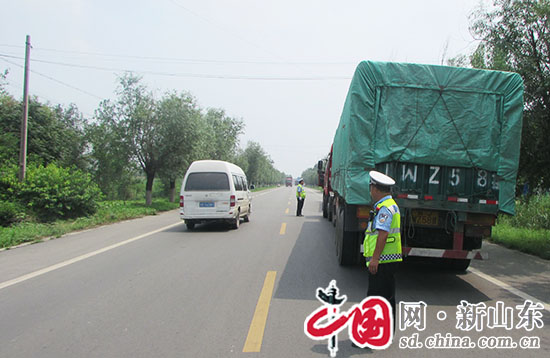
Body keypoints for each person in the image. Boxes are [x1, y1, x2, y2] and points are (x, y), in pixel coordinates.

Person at [363, 170, 402, 332]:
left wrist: (375, 259)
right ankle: (387, 331)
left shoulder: (384, 208)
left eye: (371, 187)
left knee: (374, 297)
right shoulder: (390, 205)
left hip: (383, 261)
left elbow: (383, 235)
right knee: (387, 296)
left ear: (376, 189)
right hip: (389, 260)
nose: (370, 190)